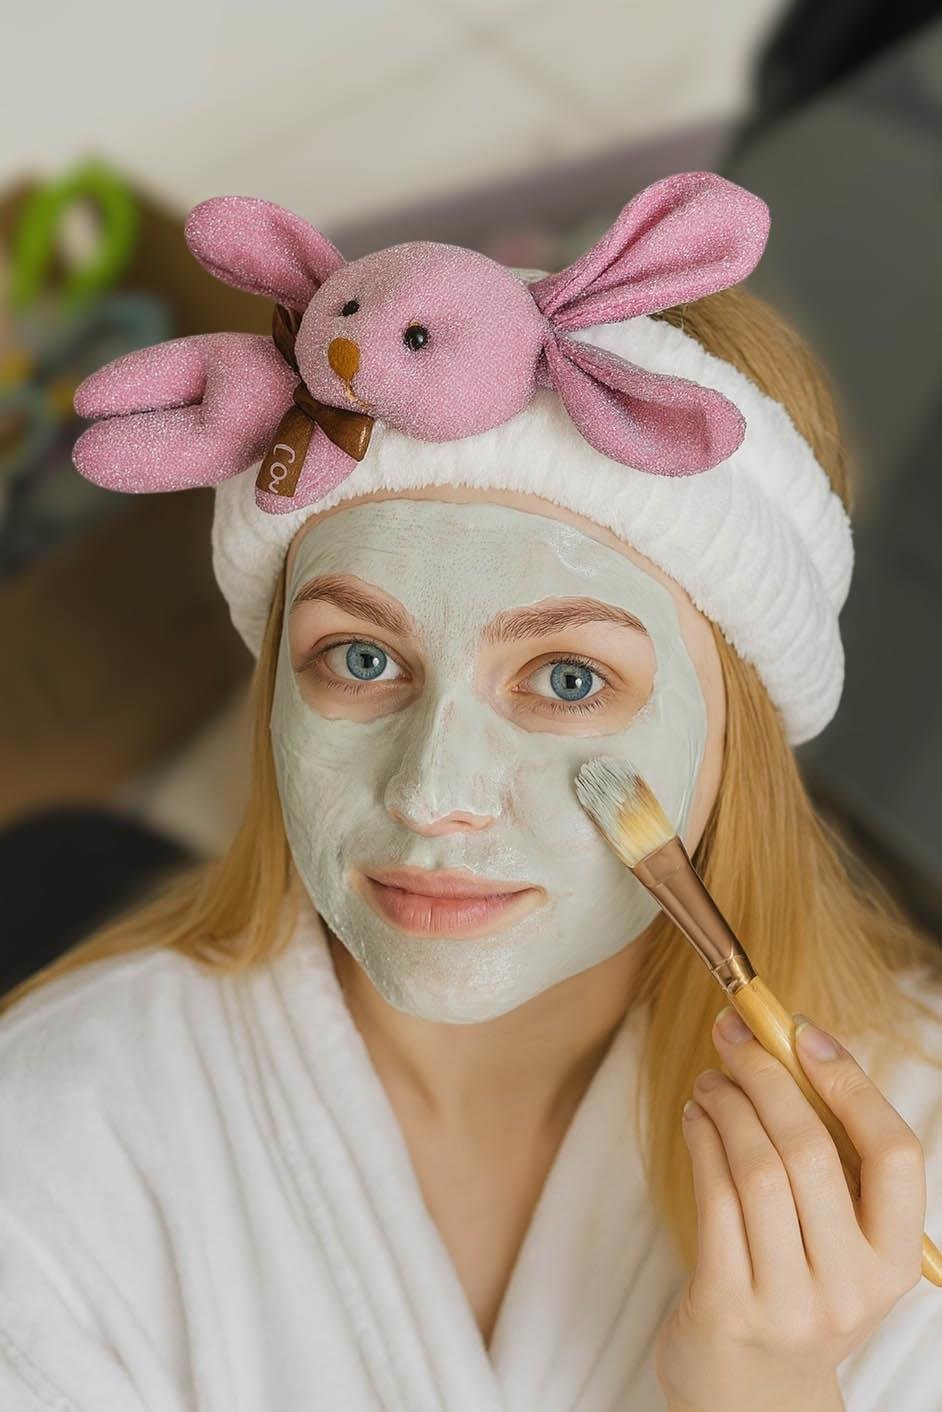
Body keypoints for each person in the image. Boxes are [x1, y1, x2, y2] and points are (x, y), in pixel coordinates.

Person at [1, 175, 940, 1412]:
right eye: (360, 658)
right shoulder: (55, 1135)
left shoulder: (917, 1139)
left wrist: (771, 1389)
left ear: (738, 736)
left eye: (568, 678)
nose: (434, 794)